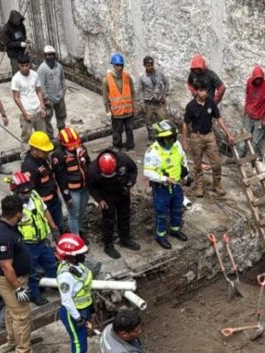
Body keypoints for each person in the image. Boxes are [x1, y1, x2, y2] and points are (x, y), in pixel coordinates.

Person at [0, 194, 38, 353]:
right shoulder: (3, 236)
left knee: (12, 312)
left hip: (13, 279)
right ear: (17, 213)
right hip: (10, 281)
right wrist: (19, 288)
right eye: (21, 211)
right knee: (22, 315)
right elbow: (6, 267)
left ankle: (12, 341)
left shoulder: (6, 226)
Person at [8, 170, 58, 305]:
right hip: (28, 245)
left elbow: (45, 210)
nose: (27, 194)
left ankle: (55, 285)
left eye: (28, 191)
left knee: (51, 264)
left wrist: (53, 228)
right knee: (31, 272)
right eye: (24, 193)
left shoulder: (35, 195)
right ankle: (35, 295)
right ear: (16, 192)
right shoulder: (12, 206)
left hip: (43, 240)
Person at [144, 120, 192, 250]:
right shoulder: (152, 152)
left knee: (177, 209)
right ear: (160, 138)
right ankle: (161, 236)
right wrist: (164, 179)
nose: (170, 141)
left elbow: (183, 159)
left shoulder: (176, 145)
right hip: (162, 189)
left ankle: (174, 230)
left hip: (176, 185)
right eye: (167, 139)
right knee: (162, 213)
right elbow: (148, 172)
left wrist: (185, 174)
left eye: (172, 138)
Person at [56, 233, 95, 353]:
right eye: (80, 254)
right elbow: (67, 300)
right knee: (78, 343)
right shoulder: (66, 275)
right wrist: (78, 318)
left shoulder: (75, 266)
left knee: (83, 340)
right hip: (74, 313)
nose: (83, 255)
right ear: (70, 256)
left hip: (83, 309)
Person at [182, 79, 233, 197]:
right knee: (197, 164)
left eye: (205, 90)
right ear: (196, 92)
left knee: (216, 163)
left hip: (209, 136)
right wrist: (185, 141)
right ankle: (200, 187)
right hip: (196, 137)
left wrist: (228, 133)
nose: (204, 93)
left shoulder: (211, 103)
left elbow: (219, 118)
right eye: (201, 91)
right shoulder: (190, 106)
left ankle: (217, 185)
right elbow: (185, 124)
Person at [87, 149, 140, 259]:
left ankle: (125, 239)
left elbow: (133, 169)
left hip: (123, 191)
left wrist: (130, 182)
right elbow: (91, 187)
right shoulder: (92, 169)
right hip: (107, 196)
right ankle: (108, 246)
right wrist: (100, 200)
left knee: (124, 216)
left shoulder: (123, 159)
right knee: (108, 220)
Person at [21, 131, 64, 232]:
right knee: (49, 231)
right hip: (44, 207)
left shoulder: (43, 159)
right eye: (44, 151)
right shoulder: (29, 167)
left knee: (60, 227)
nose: (47, 153)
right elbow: (32, 193)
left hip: (54, 201)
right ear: (34, 149)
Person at [53, 127, 90, 236]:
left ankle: (77, 230)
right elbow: (61, 178)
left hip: (85, 187)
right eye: (71, 146)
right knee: (74, 214)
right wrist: (67, 196)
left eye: (76, 144)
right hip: (72, 190)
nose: (74, 147)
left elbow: (88, 164)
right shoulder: (58, 156)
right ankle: (76, 238)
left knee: (82, 212)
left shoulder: (82, 148)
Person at [12, 54, 46, 153]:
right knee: (26, 137)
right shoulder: (16, 78)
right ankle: (25, 158)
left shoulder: (34, 75)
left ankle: (43, 154)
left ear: (29, 64)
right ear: (19, 66)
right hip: (27, 112)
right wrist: (25, 113)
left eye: (27, 65)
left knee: (42, 135)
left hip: (38, 110)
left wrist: (42, 106)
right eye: (23, 66)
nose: (25, 68)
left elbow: (39, 90)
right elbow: (16, 98)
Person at [103, 53, 136, 150]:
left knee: (129, 129)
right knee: (117, 131)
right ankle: (117, 146)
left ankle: (130, 145)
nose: (120, 67)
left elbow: (132, 92)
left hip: (128, 110)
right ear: (113, 65)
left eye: (121, 65)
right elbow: (105, 97)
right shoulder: (106, 80)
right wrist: (108, 110)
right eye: (118, 65)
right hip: (116, 112)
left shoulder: (127, 76)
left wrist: (134, 106)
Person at [242, 65, 265, 159]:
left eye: (260, 79)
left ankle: (250, 159)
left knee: (255, 141)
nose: (258, 81)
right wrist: (245, 110)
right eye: (256, 79)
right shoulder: (249, 82)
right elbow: (247, 96)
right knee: (244, 136)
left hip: (260, 117)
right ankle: (240, 156)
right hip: (249, 113)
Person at [38, 45, 67, 135]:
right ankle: (50, 137)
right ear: (44, 55)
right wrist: (45, 99)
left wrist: (63, 90)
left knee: (61, 116)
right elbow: (41, 85)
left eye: (52, 54)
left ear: (55, 55)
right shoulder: (42, 69)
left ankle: (62, 134)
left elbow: (62, 78)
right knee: (47, 119)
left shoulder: (59, 66)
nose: (50, 57)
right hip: (49, 99)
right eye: (48, 55)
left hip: (59, 96)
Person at [139, 55, 170, 140]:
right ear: (144, 65)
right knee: (149, 123)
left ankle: (164, 137)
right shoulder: (142, 77)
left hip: (159, 103)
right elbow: (141, 90)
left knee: (163, 121)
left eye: (151, 65)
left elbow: (166, 83)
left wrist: (164, 94)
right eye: (148, 65)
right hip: (148, 103)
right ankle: (151, 138)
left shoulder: (159, 74)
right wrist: (142, 103)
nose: (150, 67)